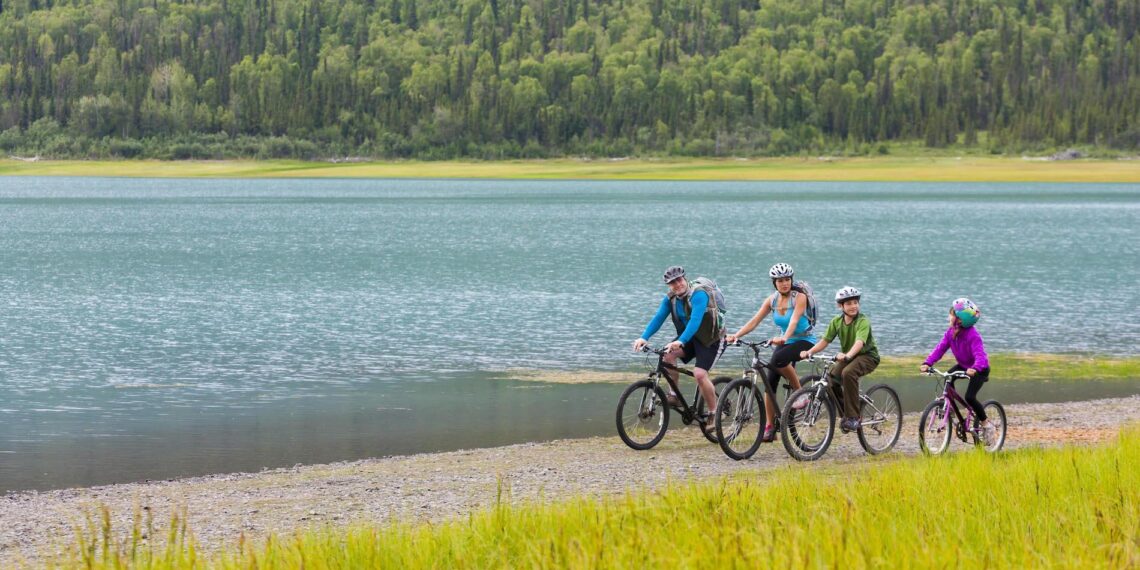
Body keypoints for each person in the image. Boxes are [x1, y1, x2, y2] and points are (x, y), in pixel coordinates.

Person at [726, 263, 814, 442]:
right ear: (774, 283)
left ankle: (800, 392)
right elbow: (754, 321)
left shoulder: (800, 298)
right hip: (785, 340)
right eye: (780, 281)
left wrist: (784, 337)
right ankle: (769, 427)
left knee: (778, 359)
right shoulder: (772, 300)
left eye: (787, 280)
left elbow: (795, 321)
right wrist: (736, 335)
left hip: (804, 340)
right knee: (769, 382)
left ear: (791, 280)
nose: (784, 284)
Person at [632, 265, 724, 422]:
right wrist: (644, 337)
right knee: (667, 356)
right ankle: (674, 396)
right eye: (672, 282)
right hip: (690, 338)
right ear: (669, 285)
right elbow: (658, 318)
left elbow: (695, 321)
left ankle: (714, 413)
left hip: (711, 339)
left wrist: (680, 341)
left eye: (679, 280)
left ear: (685, 278)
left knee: (700, 374)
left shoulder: (699, 294)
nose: (677, 284)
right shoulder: (671, 299)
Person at [800, 286, 879, 432]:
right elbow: (825, 341)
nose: (853, 306)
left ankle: (854, 417)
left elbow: (859, 342)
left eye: (855, 302)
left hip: (868, 356)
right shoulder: (837, 321)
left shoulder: (863, 321)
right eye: (849, 303)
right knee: (831, 380)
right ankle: (847, 416)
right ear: (840, 306)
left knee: (848, 373)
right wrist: (809, 352)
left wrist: (847, 355)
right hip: (849, 356)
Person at [920, 298, 995, 444]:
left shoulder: (973, 336)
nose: (949, 317)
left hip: (979, 369)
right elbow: (940, 348)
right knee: (948, 377)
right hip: (964, 365)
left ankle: (986, 424)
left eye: (951, 314)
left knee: (970, 397)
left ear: (960, 320)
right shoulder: (950, 333)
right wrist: (928, 362)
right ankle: (950, 407)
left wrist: (974, 368)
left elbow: (980, 356)